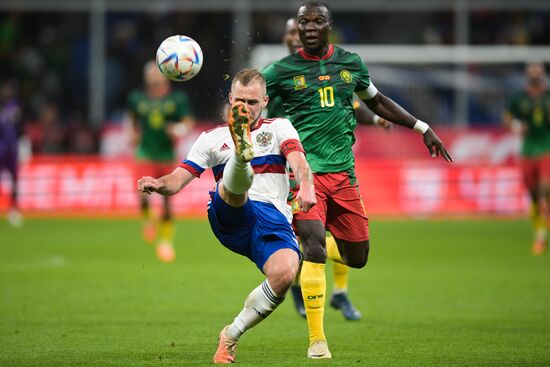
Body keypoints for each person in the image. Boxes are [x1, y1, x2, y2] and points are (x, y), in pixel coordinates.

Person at [263, 1, 453, 359]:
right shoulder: (281, 71)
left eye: (318, 21)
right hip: (304, 174)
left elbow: (376, 100)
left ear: (329, 25)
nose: (310, 27)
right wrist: (239, 115)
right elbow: (256, 99)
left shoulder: (350, 64)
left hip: (344, 174)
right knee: (315, 246)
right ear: (298, 28)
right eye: (305, 22)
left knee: (358, 256)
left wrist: (421, 127)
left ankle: (302, 248)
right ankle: (317, 341)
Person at [137, 68, 316, 364]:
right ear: (230, 99)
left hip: (273, 219)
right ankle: (240, 154)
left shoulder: (280, 127)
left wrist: (307, 186)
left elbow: (298, 159)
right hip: (231, 213)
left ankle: (230, 336)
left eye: (253, 103)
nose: (245, 107)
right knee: (236, 191)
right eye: (240, 102)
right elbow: (177, 180)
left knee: (285, 274)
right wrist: (159, 184)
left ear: (266, 102)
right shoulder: (211, 139)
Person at [268, 17, 392, 322]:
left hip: (336, 165)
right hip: (291, 170)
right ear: (286, 39)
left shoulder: (333, 69)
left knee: (331, 235)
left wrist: (376, 119)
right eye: (292, 33)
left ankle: (339, 292)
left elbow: (352, 103)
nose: (298, 37)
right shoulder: (282, 76)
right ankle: (310, 298)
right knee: (308, 238)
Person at [127, 60, 195, 262]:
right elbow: (131, 119)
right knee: (143, 195)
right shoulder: (136, 98)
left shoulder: (176, 99)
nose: (153, 77)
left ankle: (165, 242)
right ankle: (147, 219)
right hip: (145, 152)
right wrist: (131, 132)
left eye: (156, 74)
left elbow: (187, 122)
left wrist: (178, 130)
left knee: (166, 201)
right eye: (150, 74)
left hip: (166, 154)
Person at [503, 61, 550, 255]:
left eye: (538, 68)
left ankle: (541, 233)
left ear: (543, 73)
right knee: (533, 194)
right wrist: (516, 126)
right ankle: (540, 233)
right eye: (532, 68)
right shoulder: (519, 98)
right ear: (527, 74)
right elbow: (506, 118)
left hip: (547, 147)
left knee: (545, 189)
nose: (535, 72)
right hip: (527, 150)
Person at [0, 80, 23, 227]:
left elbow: (20, 125)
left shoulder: (15, 107)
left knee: (14, 179)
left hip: (12, 148)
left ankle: (14, 208)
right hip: (1, 147)